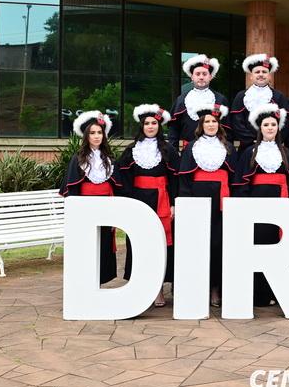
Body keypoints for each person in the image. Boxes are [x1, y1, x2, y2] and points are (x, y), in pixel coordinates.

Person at [233, 103, 289, 307]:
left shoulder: (287, 153)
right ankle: (259, 294)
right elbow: (241, 184)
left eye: (273, 124)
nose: (270, 128)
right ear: (260, 128)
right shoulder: (250, 153)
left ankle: (279, 292)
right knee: (259, 248)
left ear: (278, 127)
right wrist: (244, 209)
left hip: (282, 206)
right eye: (266, 125)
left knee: (279, 248)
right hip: (257, 208)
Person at [117, 104, 179, 307]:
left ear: (159, 126)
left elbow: (175, 178)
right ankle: (140, 287)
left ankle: (158, 289)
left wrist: (174, 203)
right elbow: (122, 177)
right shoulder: (131, 150)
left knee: (161, 245)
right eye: (147, 123)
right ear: (141, 126)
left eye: (154, 123)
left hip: (162, 200)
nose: (150, 126)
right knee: (139, 243)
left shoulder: (168, 150)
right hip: (138, 201)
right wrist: (128, 201)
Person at [178, 103, 236, 307]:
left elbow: (234, 179)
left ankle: (215, 289)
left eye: (214, 121)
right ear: (201, 125)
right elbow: (184, 179)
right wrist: (187, 204)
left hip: (222, 201)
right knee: (198, 244)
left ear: (219, 124)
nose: (211, 124)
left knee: (218, 245)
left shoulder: (228, 148)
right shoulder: (191, 148)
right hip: (198, 199)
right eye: (207, 121)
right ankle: (197, 288)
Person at [59, 110, 122, 285]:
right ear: (86, 136)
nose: (96, 136)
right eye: (92, 133)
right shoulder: (78, 159)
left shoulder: (109, 159)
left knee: (104, 242)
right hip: (86, 208)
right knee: (87, 244)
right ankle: (86, 282)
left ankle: (101, 280)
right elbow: (72, 188)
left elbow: (117, 185)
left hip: (106, 207)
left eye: (99, 132)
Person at [169, 54, 230, 151]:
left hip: (215, 150)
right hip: (187, 151)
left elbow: (226, 129)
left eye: (204, 74)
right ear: (192, 77)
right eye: (197, 74)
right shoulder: (181, 100)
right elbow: (174, 130)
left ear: (210, 77)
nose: (201, 77)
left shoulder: (220, 100)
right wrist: (173, 152)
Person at [230, 53, 289, 153]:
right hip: (247, 148)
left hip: (273, 146)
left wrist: (271, 139)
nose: (261, 74)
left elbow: (286, 124)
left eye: (264, 72)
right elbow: (237, 124)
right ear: (251, 76)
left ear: (269, 76)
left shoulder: (279, 97)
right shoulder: (241, 96)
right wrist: (253, 140)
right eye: (257, 72)